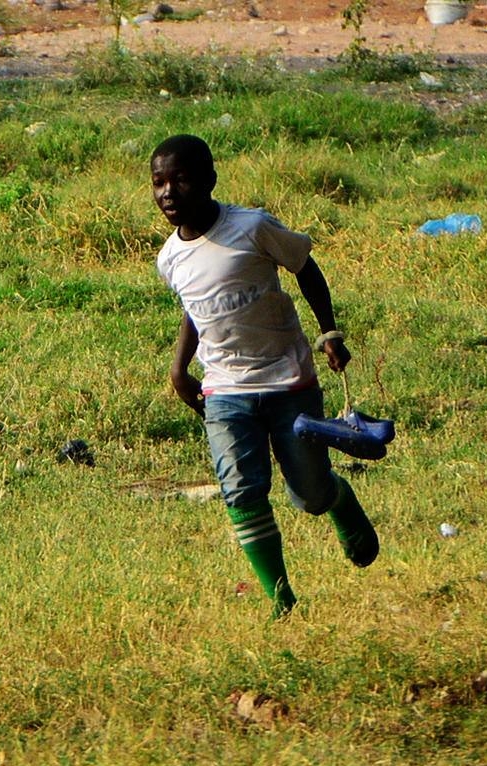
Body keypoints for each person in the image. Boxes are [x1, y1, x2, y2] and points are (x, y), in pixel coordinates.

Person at [150, 134, 377, 619]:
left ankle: (338, 500)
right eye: (158, 183)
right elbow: (197, 307)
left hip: (287, 381)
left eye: (181, 179)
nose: (168, 192)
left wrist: (329, 332)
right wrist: (179, 369)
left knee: (309, 495)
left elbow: (305, 267)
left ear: (210, 180)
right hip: (224, 389)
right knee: (241, 488)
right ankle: (281, 600)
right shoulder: (169, 259)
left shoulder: (251, 228)